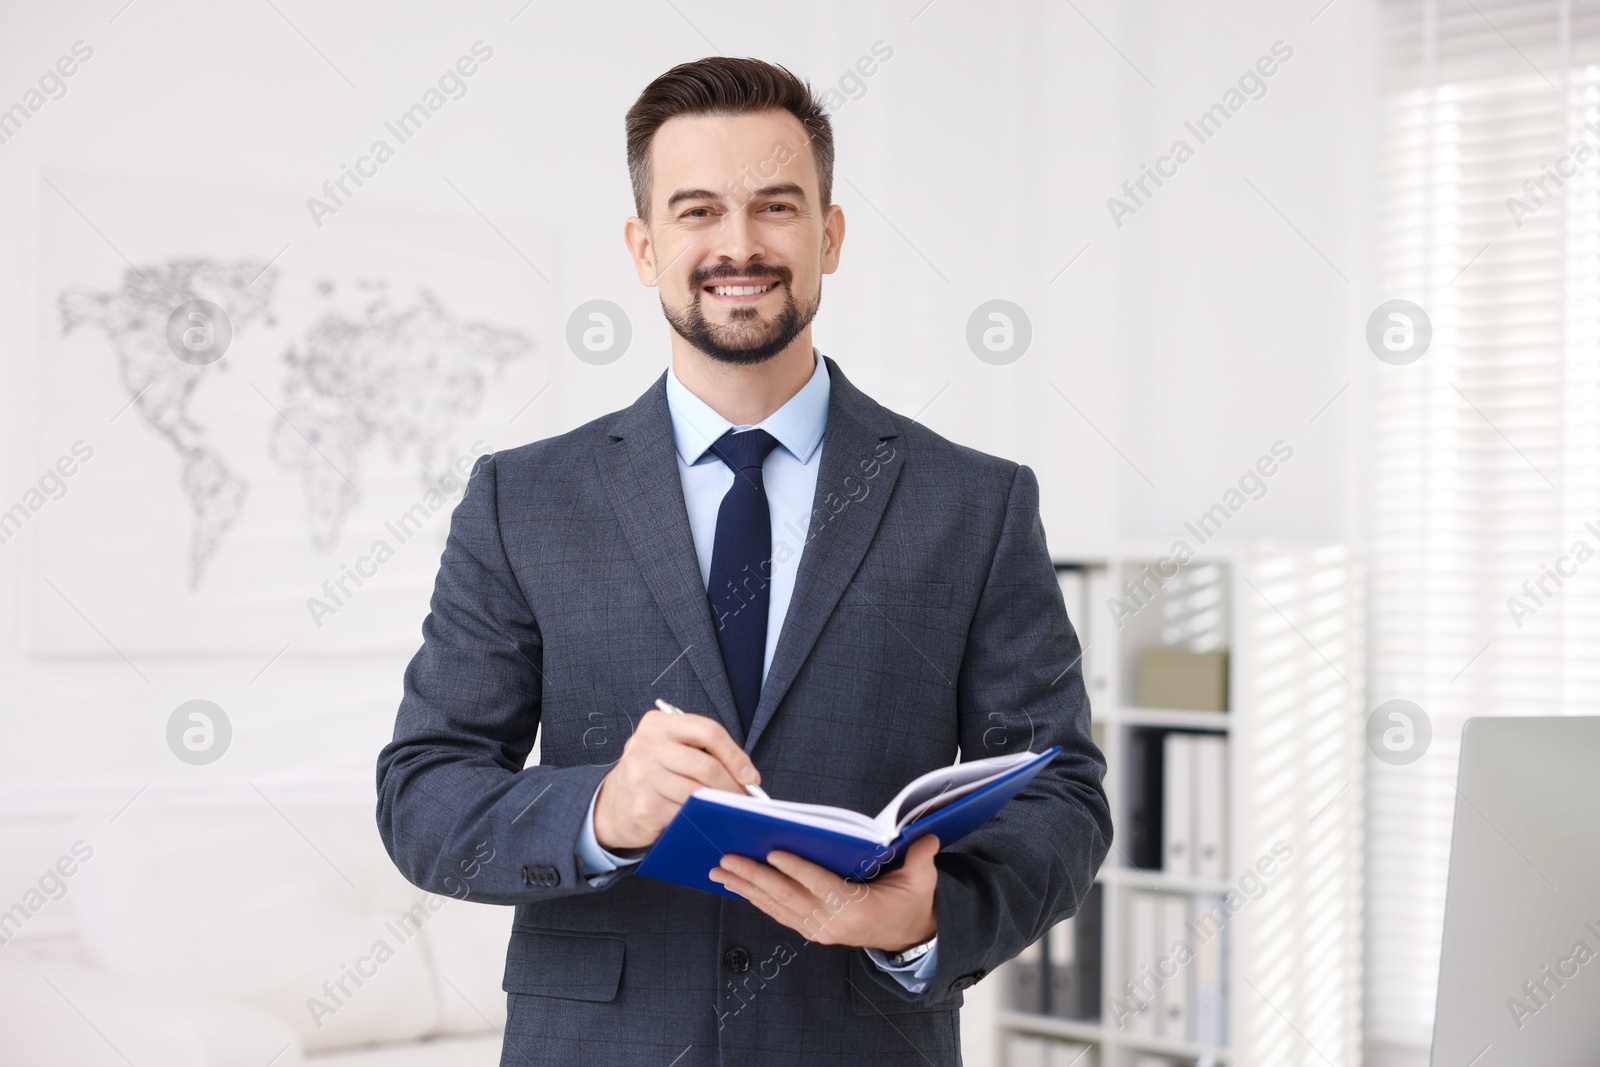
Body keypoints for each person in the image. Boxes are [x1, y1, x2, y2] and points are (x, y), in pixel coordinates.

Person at [377, 55, 1110, 1067]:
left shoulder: (973, 503)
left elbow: (1061, 790)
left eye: (775, 206)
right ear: (643, 247)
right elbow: (424, 794)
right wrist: (603, 808)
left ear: (829, 234)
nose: (738, 244)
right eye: (695, 211)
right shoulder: (522, 499)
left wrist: (923, 913)